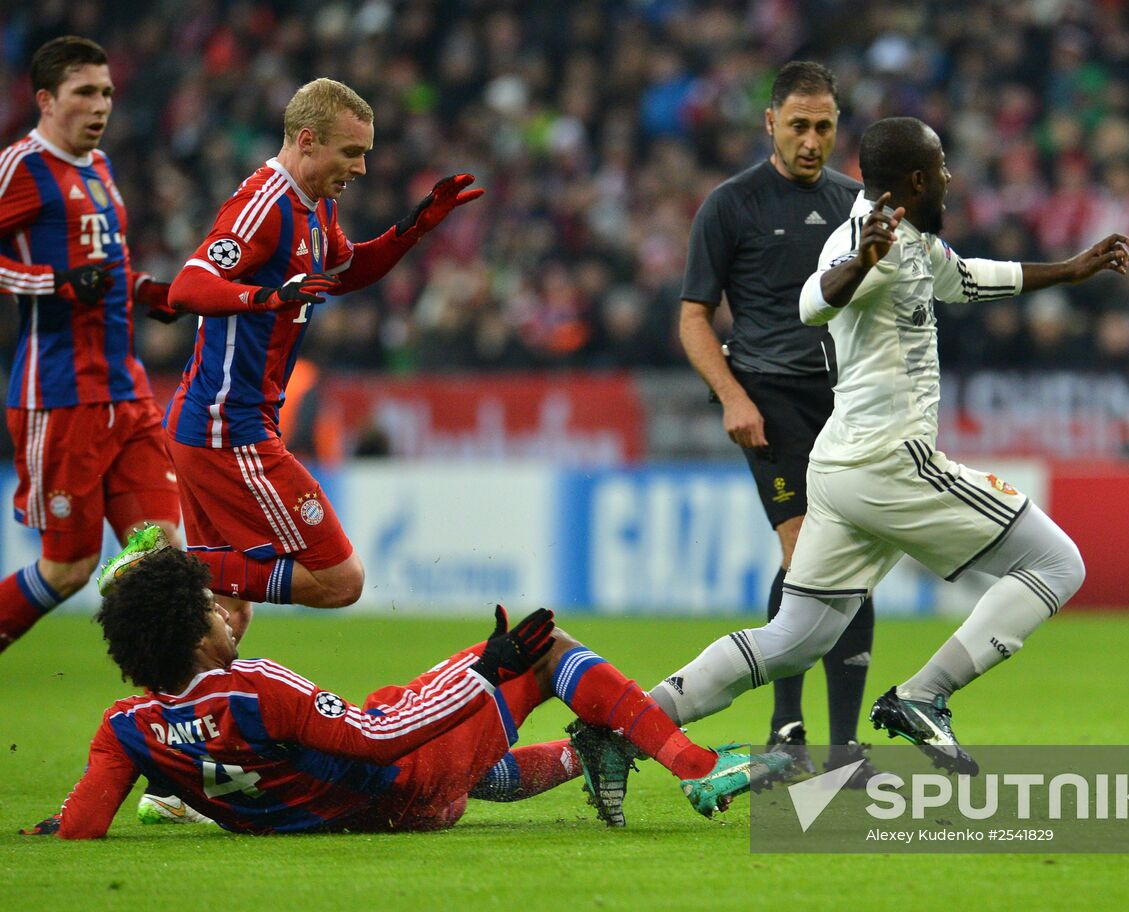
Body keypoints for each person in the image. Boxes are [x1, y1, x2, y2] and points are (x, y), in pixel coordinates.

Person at [649, 118, 1129, 775]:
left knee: (792, 640)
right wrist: (858, 262)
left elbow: (966, 277)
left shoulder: (908, 239)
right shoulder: (862, 237)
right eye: (941, 168)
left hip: (842, 469)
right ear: (916, 179)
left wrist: (1070, 271)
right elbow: (812, 301)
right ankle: (923, 694)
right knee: (1057, 562)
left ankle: (627, 724)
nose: (950, 179)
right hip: (889, 463)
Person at [26, 538, 787, 838]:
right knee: (544, 649)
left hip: (384, 817)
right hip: (405, 779)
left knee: (461, 748)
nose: (228, 615)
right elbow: (380, 738)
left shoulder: (126, 727)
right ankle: (693, 763)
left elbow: (80, 828)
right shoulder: (253, 687)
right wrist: (484, 669)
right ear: (195, 637)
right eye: (212, 609)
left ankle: (589, 752)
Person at [159, 78, 482, 640]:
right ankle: (159, 568)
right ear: (307, 140)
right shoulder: (263, 207)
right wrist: (267, 296)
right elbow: (187, 287)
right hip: (226, 429)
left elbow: (345, 270)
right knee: (339, 579)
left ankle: (182, 717)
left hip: (217, 423)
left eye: (365, 154)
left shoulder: (317, 204)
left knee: (223, 620)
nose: (359, 168)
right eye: (351, 152)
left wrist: (414, 229)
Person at [678, 61, 874, 776]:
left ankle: (839, 748)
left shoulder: (859, 204)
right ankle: (791, 734)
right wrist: (732, 394)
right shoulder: (731, 205)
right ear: (770, 123)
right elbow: (694, 317)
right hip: (769, 399)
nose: (812, 140)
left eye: (824, 126)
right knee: (811, 557)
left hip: (844, 403)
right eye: (799, 125)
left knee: (846, 564)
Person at [0, 35, 186, 657]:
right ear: (47, 100)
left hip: (125, 389)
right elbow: (62, 275)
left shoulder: (100, 168)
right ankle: (108, 591)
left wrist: (146, 291)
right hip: (60, 394)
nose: (100, 105)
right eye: (84, 92)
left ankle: (167, 701)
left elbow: (101, 268)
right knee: (67, 569)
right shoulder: (24, 167)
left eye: (106, 91)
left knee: (162, 552)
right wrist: (51, 283)